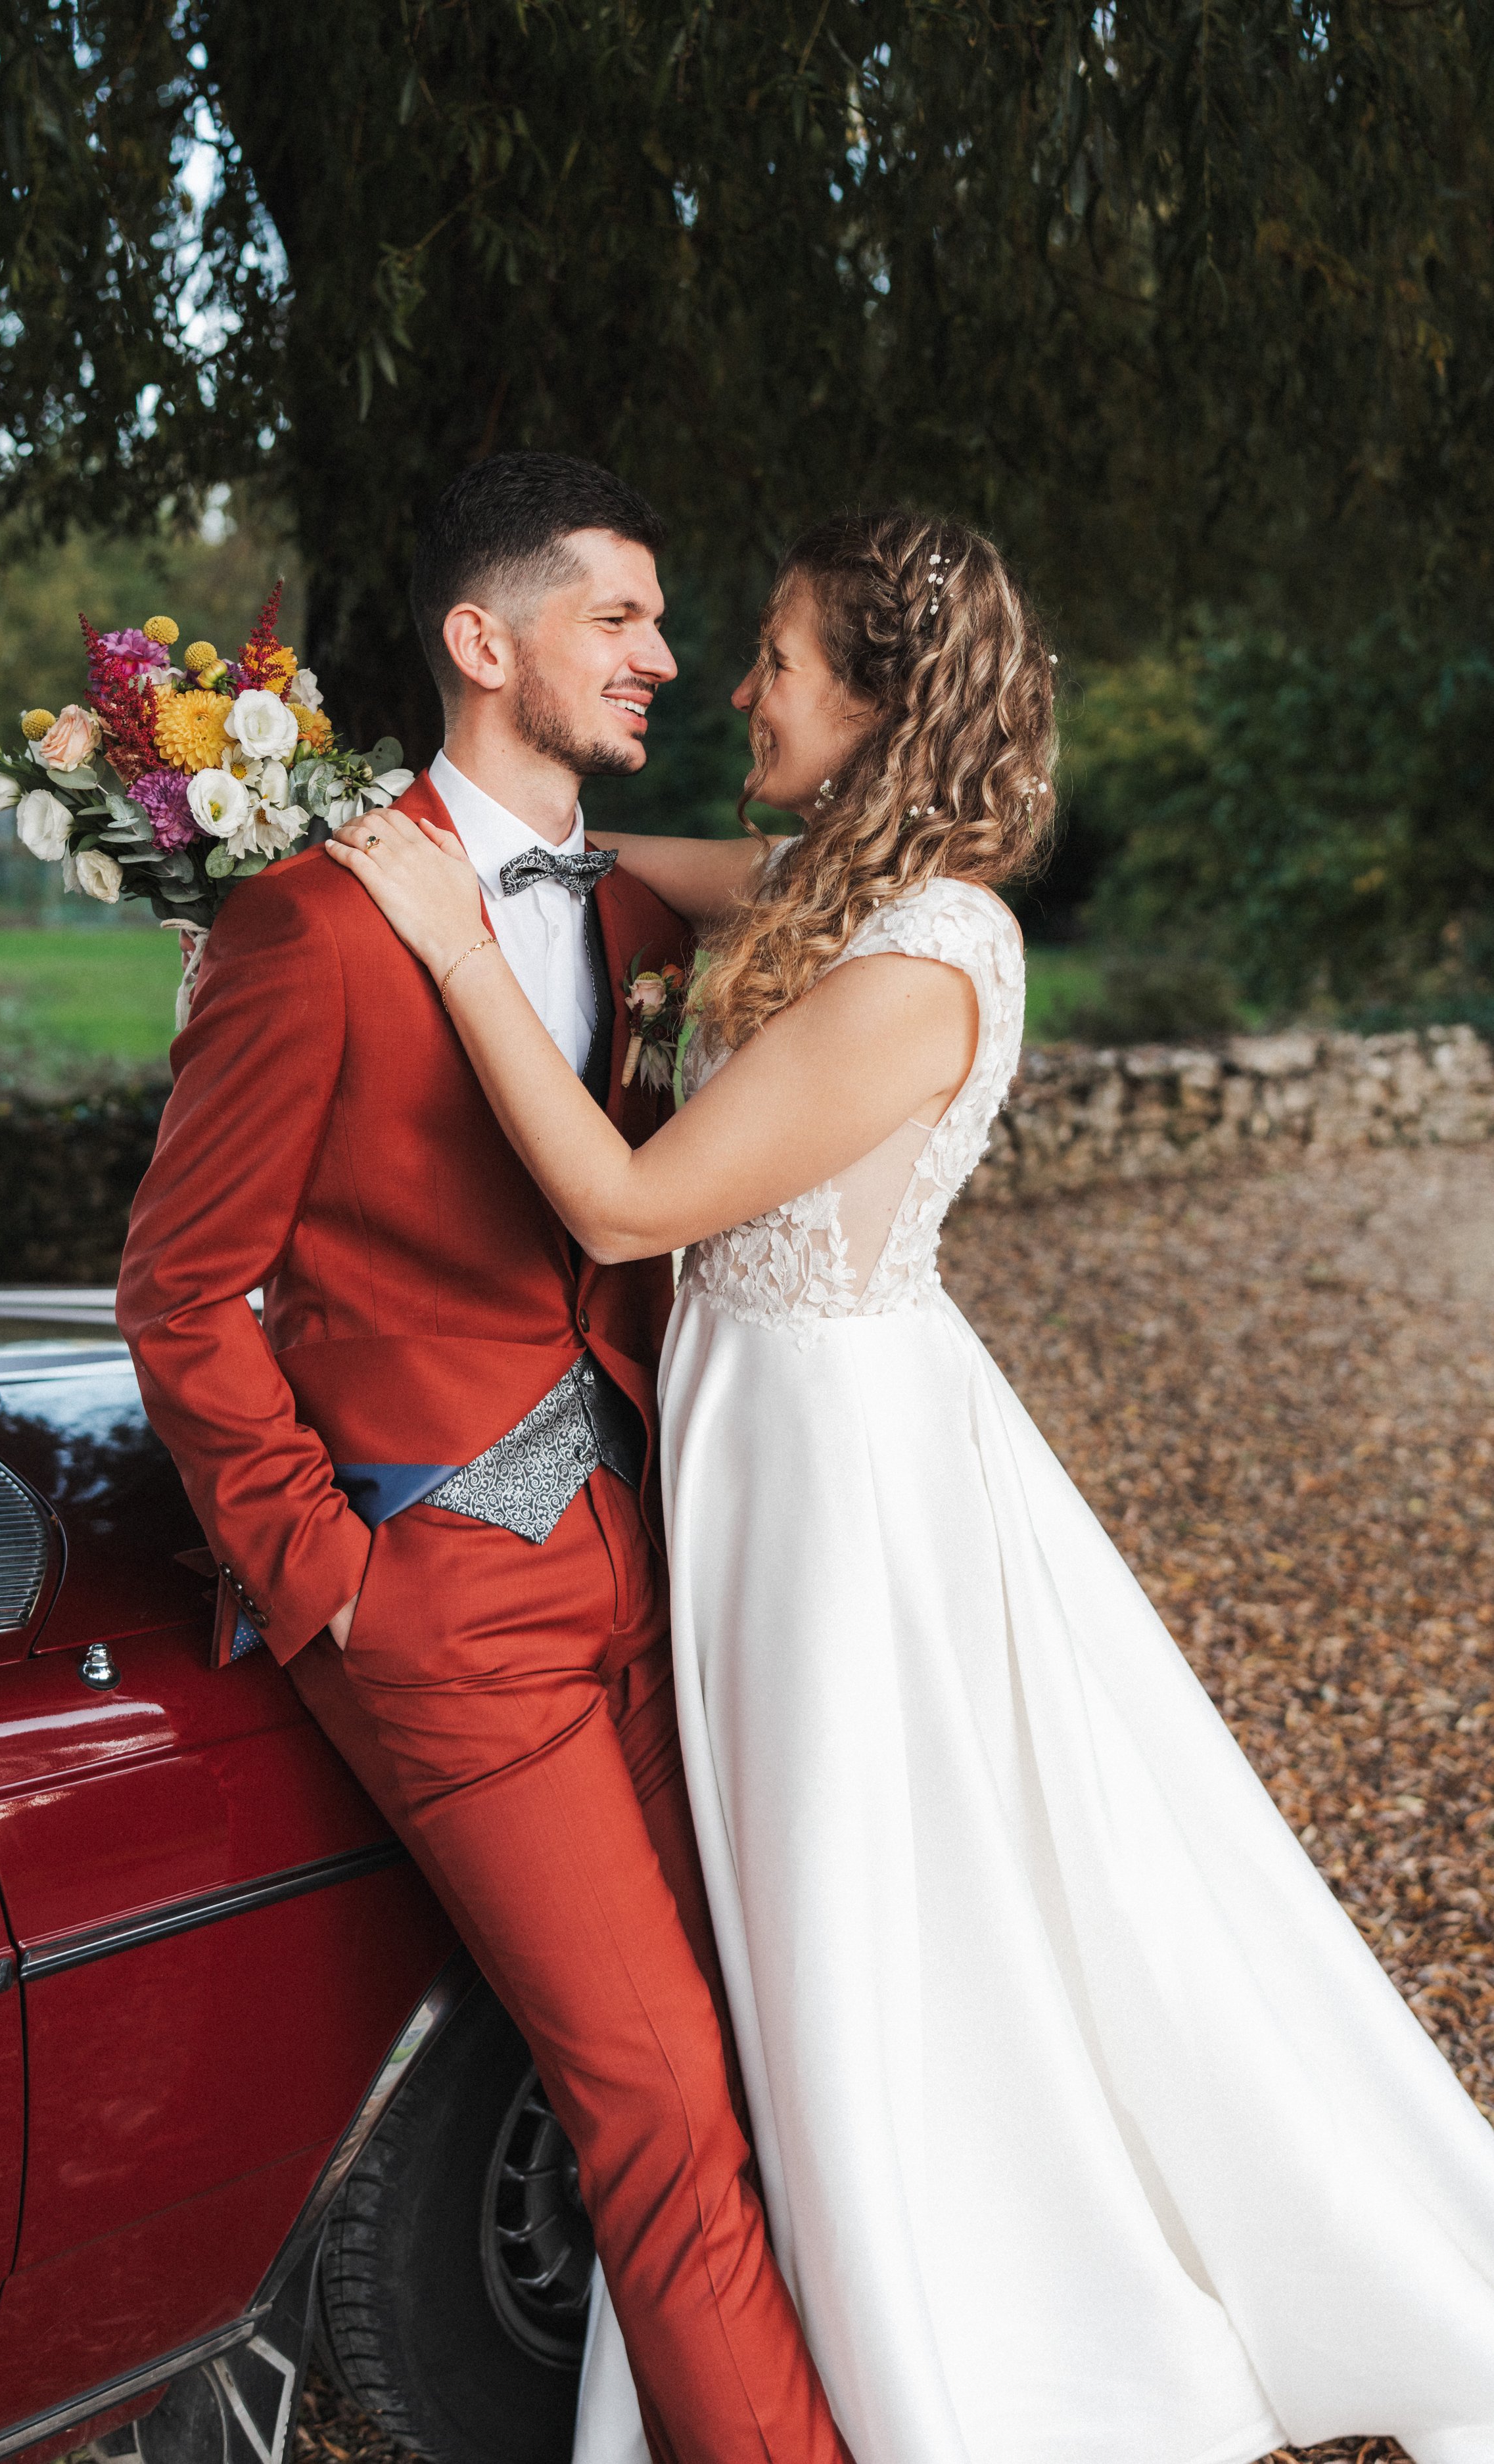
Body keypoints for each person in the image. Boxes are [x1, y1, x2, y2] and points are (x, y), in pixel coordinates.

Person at [327, 505, 1494, 2464]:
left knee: (854, 1893)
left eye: (775, 660)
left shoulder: (931, 954)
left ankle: (958, 2304)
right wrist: (446, 842)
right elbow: (594, 855)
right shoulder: (812, 888)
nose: (736, 689)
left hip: (831, 1482)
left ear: (868, 706)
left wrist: (454, 957)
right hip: (756, 1435)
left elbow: (621, 1203)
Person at [116, 452, 854, 2464]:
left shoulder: (621, 902)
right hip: (440, 1610)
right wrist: (326, 1583)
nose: (665, 656)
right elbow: (182, 1294)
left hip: (648, 1562)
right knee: (654, 2106)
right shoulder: (308, 927)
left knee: (770, 2046)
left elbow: (880, 900)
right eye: (617, 616)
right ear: (481, 639)